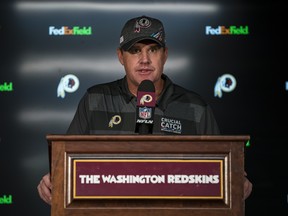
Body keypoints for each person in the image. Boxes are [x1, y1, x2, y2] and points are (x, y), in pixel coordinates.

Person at [37, 15, 252, 204]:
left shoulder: (195, 107)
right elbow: (67, 167)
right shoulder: (95, 99)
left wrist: (235, 181)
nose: (145, 60)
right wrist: (52, 181)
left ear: (165, 55)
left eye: (153, 49)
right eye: (135, 50)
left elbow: (219, 171)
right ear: (121, 57)